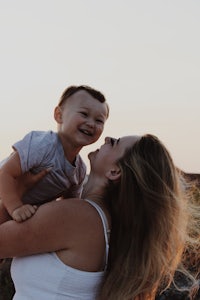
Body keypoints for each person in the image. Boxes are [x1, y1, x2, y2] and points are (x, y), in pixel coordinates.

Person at [0, 134, 198, 300]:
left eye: (115, 142)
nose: (107, 137)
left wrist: (18, 189)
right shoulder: (101, 222)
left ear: (114, 171)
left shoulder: (78, 216)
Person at [0, 85, 109, 223]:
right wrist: (15, 207)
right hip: (8, 199)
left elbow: (69, 204)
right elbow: (5, 173)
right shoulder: (43, 145)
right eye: (84, 114)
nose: (91, 123)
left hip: (22, 214)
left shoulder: (80, 170)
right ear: (59, 115)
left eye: (99, 120)